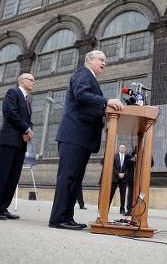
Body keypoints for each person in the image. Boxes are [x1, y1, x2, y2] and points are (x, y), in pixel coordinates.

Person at [49, 50, 123, 230]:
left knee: (75, 180)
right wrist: (106, 102)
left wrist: (104, 119)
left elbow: (88, 105)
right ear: (90, 60)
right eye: (101, 60)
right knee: (68, 177)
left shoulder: (91, 78)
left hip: (81, 138)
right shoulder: (83, 74)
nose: (104, 63)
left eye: (106, 61)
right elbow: (81, 95)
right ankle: (58, 218)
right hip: (73, 136)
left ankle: (67, 217)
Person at [0, 74, 35, 220]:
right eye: (31, 80)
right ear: (21, 81)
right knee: (1, 175)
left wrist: (29, 130)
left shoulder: (28, 100)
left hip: (20, 143)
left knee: (13, 177)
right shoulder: (13, 93)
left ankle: (2, 207)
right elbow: (10, 113)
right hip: (8, 141)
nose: (33, 82)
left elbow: (27, 120)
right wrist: (26, 128)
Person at [109, 144, 130, 215]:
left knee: (123, 195)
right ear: (119, 148)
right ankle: (107, 207)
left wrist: (124, 174)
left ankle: (122, 209)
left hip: (124, 178)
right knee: (111, 193)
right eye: (121, 147)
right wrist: (118, 173)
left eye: (124, 147)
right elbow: (112, 166)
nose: (122, 149)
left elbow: (129, 168)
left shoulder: (127, 157)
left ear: (125, 149)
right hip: (115, 177)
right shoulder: (115, 156)